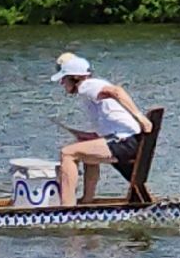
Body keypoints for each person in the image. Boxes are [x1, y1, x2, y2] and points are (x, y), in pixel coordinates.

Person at [52, 54, 154, 204]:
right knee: (84, 150)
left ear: (74, 78)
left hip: (125, 142)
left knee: (67, 153)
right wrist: (86, 136)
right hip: (128, 141)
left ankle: (66, 208)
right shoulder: (90, 88)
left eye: (64, 79)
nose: (62, 83)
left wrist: (140, 117)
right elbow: (110, 124)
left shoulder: (87, 86)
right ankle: (87, 201)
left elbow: (117, 91)